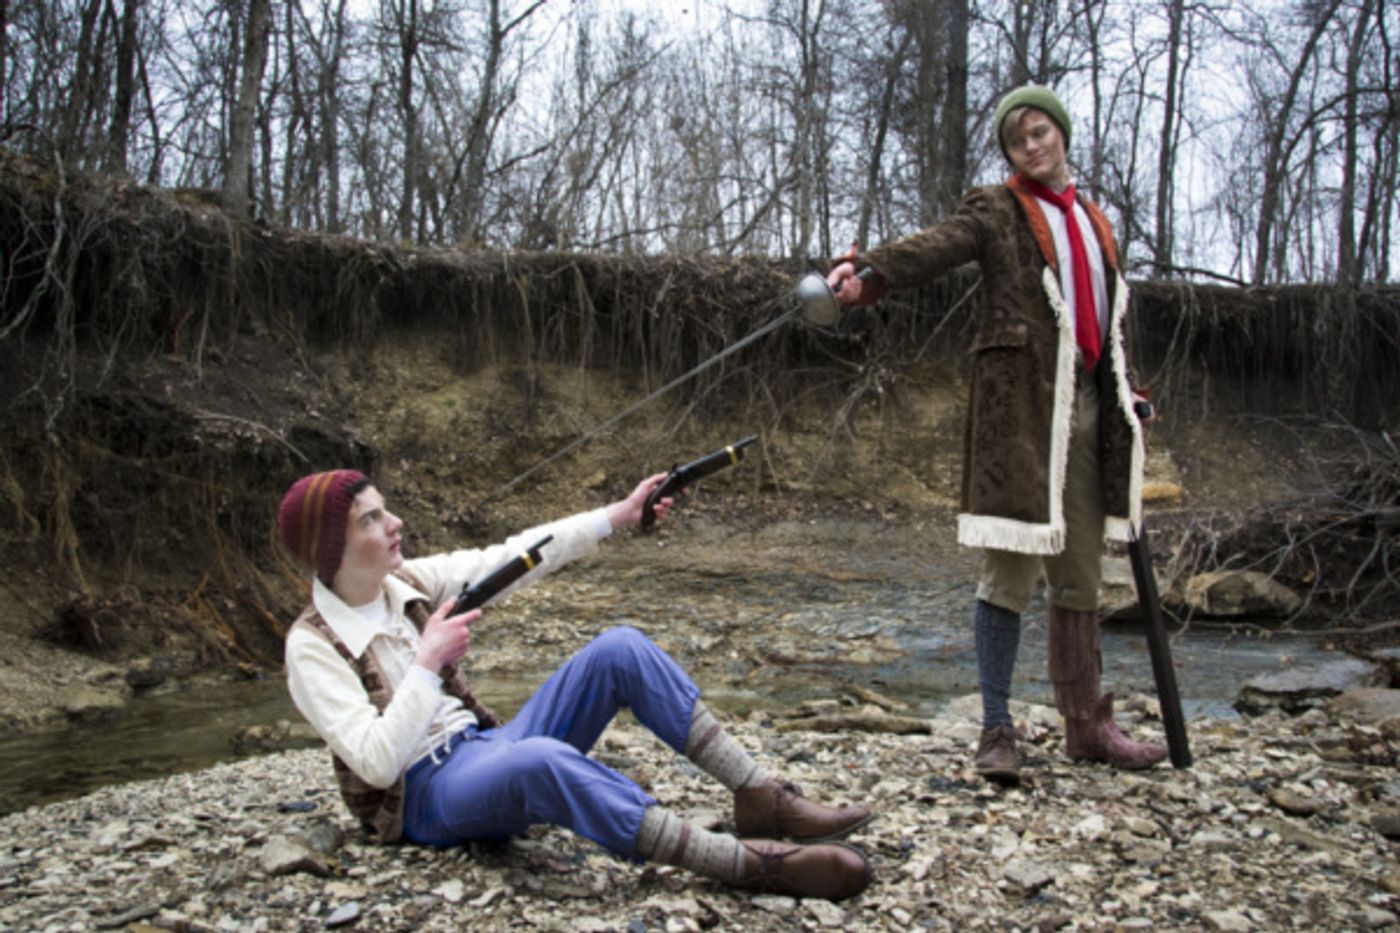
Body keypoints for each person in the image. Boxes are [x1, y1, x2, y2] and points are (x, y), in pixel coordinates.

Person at [276, 468, 874, 901]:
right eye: (371, 518)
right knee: (539, 760)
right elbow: (378, 765)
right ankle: (743, 864)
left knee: (619, 647)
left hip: (485, 750)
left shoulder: (403, 581)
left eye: (385, 508)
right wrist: (428, 663)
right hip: (424, 797)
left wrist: (619, 515)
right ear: (333, 548)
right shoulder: (310, 647)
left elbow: (516, 553)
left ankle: (760, 796)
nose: (395, 522)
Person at [826, 84, 1167, 783]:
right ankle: (996, 728)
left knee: (1078, 573)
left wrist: (1130, 389)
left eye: (1040, 132)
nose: (1032, 146)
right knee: (1009, 566)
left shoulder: (1098, 222)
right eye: (1018, 140)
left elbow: (1109, 318)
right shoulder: (997, 209)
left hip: (1090, 411)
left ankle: (1087, 725)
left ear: (1062, 134)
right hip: (1022, 415)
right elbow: (937, 246)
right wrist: (869, 273)